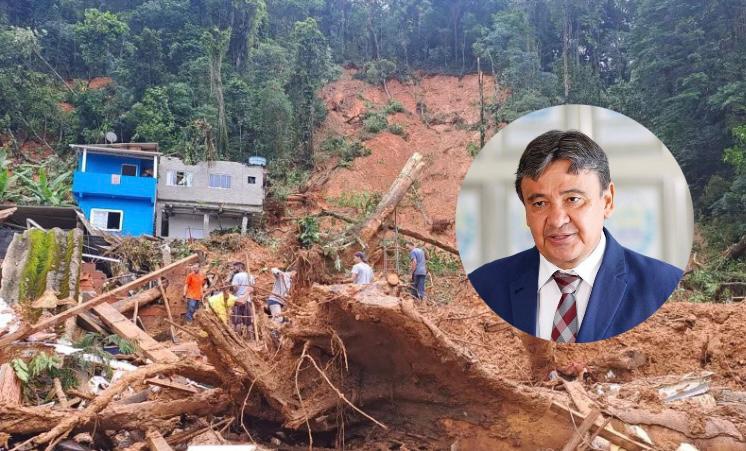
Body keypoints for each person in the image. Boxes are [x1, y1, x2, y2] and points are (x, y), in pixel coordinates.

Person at [468, 130, 683, 343]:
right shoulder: (485, 286)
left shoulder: (663, 287)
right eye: (539, 204)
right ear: (526, 210)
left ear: (607, 201)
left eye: (573, 199)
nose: (557, 220)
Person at [230, 262, 256, 337]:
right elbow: (252, 288)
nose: (234, 269)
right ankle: (251, 338)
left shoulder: (237, 276)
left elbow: (235, 287)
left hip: (238, 300)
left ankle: (238, 339)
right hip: (247, 300)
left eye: (235, 267)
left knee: (237, 321)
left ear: (239, 267)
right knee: (248, 322)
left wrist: (232, 293)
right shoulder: (250, 276)